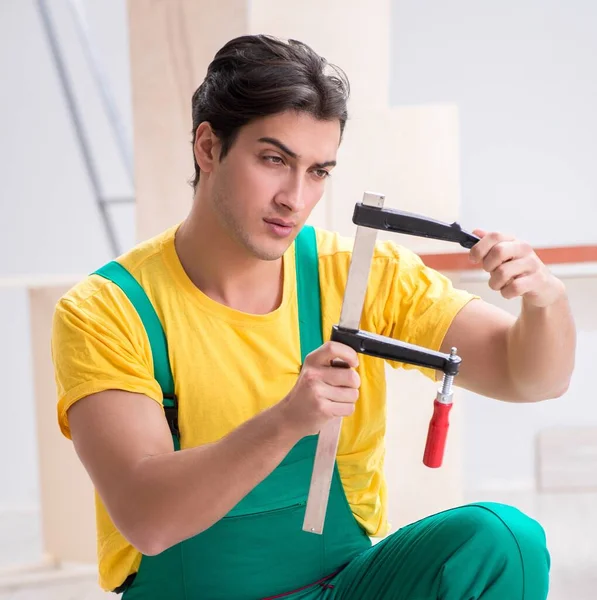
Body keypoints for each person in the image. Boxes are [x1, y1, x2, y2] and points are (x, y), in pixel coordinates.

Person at [51, 34, 575, 599]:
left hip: (339, 586)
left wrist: (546, 300)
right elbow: (146, 519)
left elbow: (531, 377)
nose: (295, 198)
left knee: (503, 540)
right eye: (274, 160)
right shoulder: (108, 310)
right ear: (208, 146)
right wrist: (286, 420)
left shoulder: (355, 275)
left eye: (319, 171)